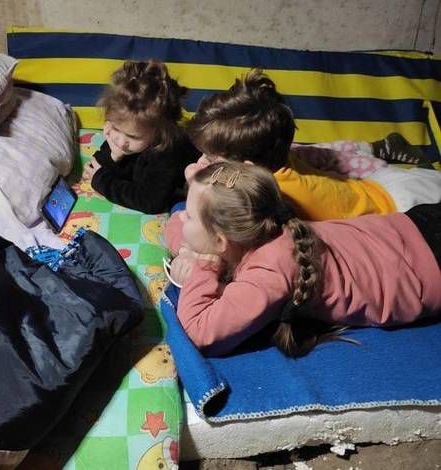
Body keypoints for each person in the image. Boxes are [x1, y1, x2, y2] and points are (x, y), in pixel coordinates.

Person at [167, 161, 441, 357]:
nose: (180, 217)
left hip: (431, 269)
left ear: (220, 242)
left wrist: (203, 267)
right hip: (411, 226)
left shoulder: (268, 275)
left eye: (189, 216)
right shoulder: (269, 222)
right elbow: (175, 228)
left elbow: (198, 334)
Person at [165, 69, 441, 255]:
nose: (203, 161)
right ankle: (380, 149)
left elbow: (240, 238)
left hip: (402, 207)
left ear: (247, 167)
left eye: (211, 159)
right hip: (380, 187)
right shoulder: (275, 155)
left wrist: (196, 185)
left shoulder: (278, 197)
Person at [83, 60, 200, 214]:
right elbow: (95, 166)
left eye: (132, 137)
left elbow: (149, 202)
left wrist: (103, 181)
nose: (120, 141)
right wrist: (113, 156)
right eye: (115, 128)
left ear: (159, 132)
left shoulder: (167, 152)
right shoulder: (125, 135)